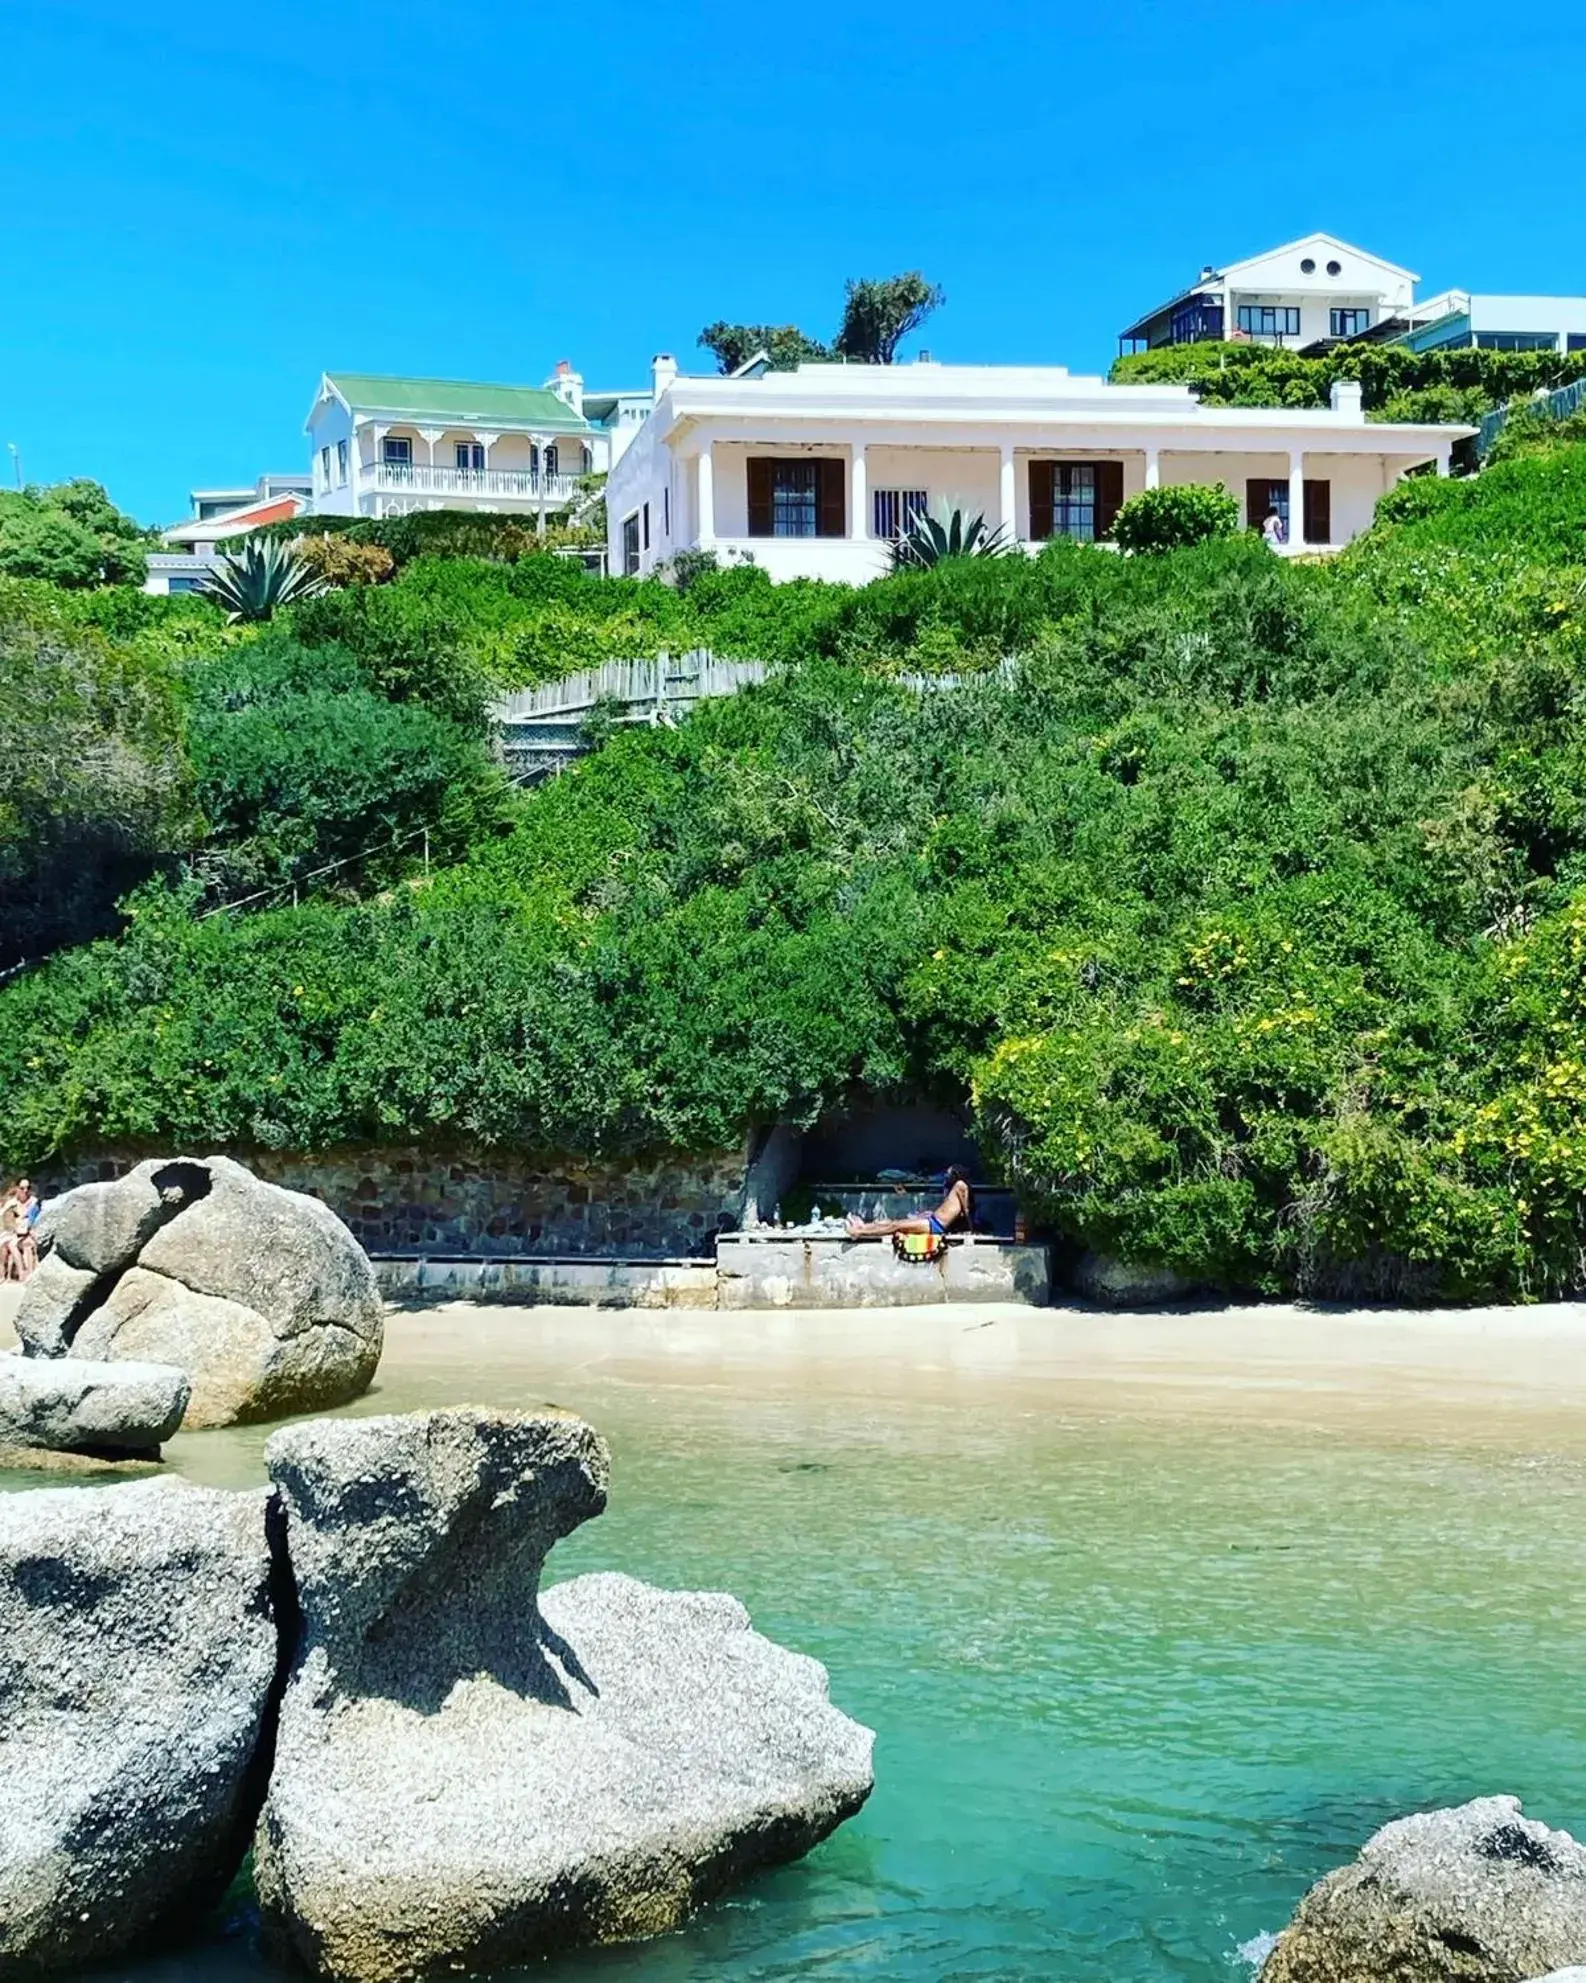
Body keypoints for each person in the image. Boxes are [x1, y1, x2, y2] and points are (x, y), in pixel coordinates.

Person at [845, 1167, 972, 1241]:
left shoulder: (960, 1186)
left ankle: (860, 1232)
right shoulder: (952, 1189)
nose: (946, 1176)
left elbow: (966, 1210)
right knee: (892, 1223)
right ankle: (863, 1227)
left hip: (935, 1225)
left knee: (895, 1226)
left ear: (956, 1175)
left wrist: (970, 1229)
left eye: (949, 1173)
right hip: (932, 1220)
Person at [0, 1178, 39, 1280]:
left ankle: (25, 1273)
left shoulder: (34, 1202)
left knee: (20, 1244)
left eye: (28, 1188)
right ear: (17, 1188)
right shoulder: (12, 1203)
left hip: (29, 1231)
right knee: (9, 1243)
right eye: (22, 1188)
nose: (25, 1191)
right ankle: (16, 1273)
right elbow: (2, 1213)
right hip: (15, 1232)